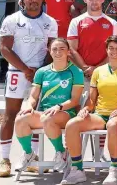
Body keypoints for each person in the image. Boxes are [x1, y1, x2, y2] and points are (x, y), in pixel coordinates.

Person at [61, 35, 117, 185]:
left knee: (113, 124)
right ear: (106, 50)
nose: (114, 51)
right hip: (100, 115)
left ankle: (114, 170)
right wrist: (86, 109)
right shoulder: (98, 72)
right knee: (72, 124)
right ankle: (77, 170)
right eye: (111, 48)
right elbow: (92, 100)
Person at [0, 0, 58, 177]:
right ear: (22, 0)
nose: (33, 0)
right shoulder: (11, 20)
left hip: (40, 74)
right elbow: (5, 49)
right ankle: (5, 159)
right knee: (10, 115)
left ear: (42, 0)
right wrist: (25, 69)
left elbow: (52, 49)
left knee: (35, 116)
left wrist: (40, 71)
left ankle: (31, 158)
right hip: (17, 72)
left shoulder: (50, 22)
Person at [13, 38, 83, 174]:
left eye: (62, 49)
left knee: (48, 118)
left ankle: (61, 152)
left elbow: (75, 100)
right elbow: (33, 96)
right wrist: (29, 106)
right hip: (45, 113)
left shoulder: (76, 72)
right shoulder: (42, 72)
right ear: (49, 52)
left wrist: (59, 106)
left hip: (65, 113)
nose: (58, 52)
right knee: (20, 119)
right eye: (54, 49)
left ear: (68, 51)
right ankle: (28, 154)